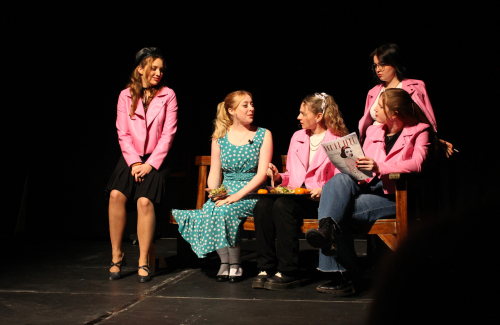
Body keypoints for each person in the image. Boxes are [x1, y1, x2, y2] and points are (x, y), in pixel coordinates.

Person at [306, 88, 436, 295]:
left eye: (380, 106)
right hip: (365, 187)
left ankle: (347, 274)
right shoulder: (374, 131)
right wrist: (352, 164)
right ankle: (327, 231)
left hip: (393, 195)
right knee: (339, 181)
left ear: (393, 113)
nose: (374, 109)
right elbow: (362, 161)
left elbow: (417, 164)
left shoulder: (420, 130)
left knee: (339, 212)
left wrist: (379, 167)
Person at [173, 91, 273, 283]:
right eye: (245, 105)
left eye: (252, 104)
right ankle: (224, 263)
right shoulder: (219, 137)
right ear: (231, 111)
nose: (251, 108)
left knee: (225, 211)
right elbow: (214, 173)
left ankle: (235, 264)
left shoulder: (263, 134)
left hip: (250, 193)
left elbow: (261, 175)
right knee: (212, 208)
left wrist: (236, 196)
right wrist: (215, 192)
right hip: (226, 192)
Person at [252, 93, 348, 290]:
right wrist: (279, 177)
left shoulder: (338, 139)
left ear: (319, 116)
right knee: (262, 205)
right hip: (296, 195)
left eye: (303, 113)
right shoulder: (298, 137)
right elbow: (293, 176)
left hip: (320, 200)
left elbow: (342, 177)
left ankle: (289, 270)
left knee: (282, 205)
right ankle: (265, 267)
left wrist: (323, 189)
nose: (298, 117)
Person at [105, 47, 178, 283]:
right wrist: (135, 161)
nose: (158, 73)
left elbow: (168, 134)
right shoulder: (125, 95)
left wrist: (150, 164)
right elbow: (122, 133)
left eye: (160, 69)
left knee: (144, 201)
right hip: (131, 156)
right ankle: (117, 255)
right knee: (116, 195)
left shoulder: (169, 95)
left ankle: (144, 259)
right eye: (153, 68)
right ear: (140, 69)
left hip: (158, 157)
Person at [359, 43, 453, 157]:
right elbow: (367, 123)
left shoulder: (416, 86)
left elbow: (426, 117)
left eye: (382, 64)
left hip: (402, 145)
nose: (378, 69)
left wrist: (435, 140)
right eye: (375, 65)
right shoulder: (373, 92)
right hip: (374, 145)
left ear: (394, 63)